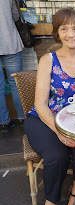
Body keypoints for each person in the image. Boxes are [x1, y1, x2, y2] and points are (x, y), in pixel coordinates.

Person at [24, 8, 75, 205]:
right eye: (64, 29)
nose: (70, 34)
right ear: (57, 33)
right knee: (56, 156)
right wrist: (59, 131)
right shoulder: (48, 60)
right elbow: (40, 103)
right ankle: (51, 203)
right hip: (45, 119)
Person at [0, 0, 25, 132]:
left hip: (9, 43)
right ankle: (22, 117)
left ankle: (4, 122)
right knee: (16, 83)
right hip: (9, 42)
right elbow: (16, 15)